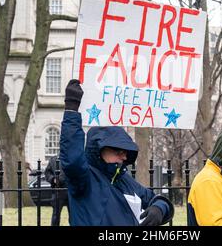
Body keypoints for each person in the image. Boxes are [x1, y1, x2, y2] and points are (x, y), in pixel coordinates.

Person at [59, 79, 174, 226]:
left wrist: (159, 208)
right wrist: (71, 109)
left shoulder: (125, 180)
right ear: (100, 150)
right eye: (118, 151)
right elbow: (72, 158)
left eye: (125, 152)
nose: (124, 156)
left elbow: (156, 199)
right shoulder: (84, 179)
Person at [44, 155, 70, 226]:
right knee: (56, 215)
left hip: (71, 190)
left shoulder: (73, 157)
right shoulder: (53, 160)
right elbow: (47, 173)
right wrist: (53, 179)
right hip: (58, 191)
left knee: (73, 215)